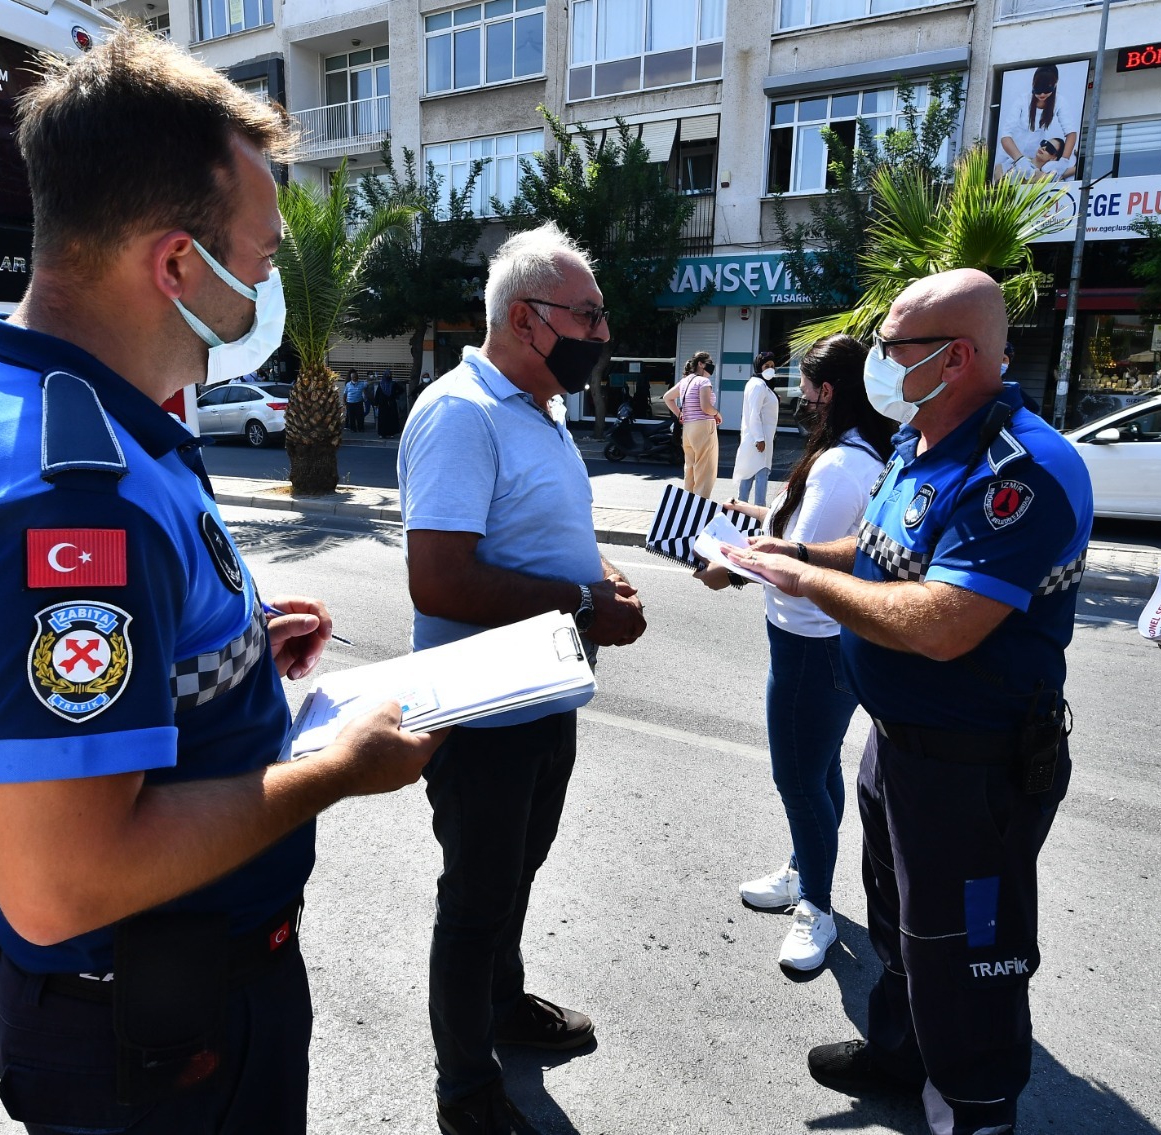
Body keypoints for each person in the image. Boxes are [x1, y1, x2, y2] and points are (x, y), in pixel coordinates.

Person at [0, 27, 441, 1134]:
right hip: (156, 1041)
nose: (268, 283)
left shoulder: (56, 407)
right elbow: (64, 881)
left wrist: (229, 656)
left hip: (159, 1007)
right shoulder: (69, 493)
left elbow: (108, 675)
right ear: (179, 263)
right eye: (265, 255)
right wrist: (335, 768)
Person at [726, 269, 1092, 1135]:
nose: (880, 363)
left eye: (894, 348)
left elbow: (942, 624)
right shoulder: (920, 437)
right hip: (899, 745)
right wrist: (791, 548)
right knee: (899, 925)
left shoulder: (1023, 468)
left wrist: (803, 581)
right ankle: (901, 1052)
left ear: (956, 356)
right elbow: (880, 547)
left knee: (970, 954)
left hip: (975, 768)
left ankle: (976, 1105)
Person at [398, 222, 648, 1135]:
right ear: (527, 317)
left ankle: (502, 1007)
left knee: (515, 878)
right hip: (482, 712)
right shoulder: (460, 411)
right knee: (475, 899)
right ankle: (464, 1090)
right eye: (588, 315)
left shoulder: (535, 407)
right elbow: (441, 577)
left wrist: (594, 579)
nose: (603, 334)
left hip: (542, 698)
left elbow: (532, 540)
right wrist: (583, 604)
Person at [694, 334, 893, 972]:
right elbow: (793, 531)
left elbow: (793, 564)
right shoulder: (854, 453)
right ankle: (806, 865)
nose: (798, 400)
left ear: (828, 391)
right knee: (817, 768)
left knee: (798, 778)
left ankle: (817, 908)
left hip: (813, 645)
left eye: (805, 390)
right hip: (821, 640)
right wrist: (746, 513)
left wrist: (726, 567)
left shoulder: (839, 467)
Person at [996, 64, 1077, 181]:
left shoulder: (1059, 101)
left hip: (1032, 157)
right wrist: (1019, 160)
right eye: (1038, 90)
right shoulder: (1022, 100)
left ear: (1055, 84)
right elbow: (1005, 136)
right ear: (1033, 85)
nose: (1042, 95)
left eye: (1047, 90)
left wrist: (1064, 161)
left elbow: (1071, 133)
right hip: (1010, 152)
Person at [664, 350, 721, 497]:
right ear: (700, 364)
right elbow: (706, 407)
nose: (711, 367)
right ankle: (701, 505)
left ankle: (688, 502)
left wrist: (679, 414)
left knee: (690, 468)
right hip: (703, 426)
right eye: (709, 363)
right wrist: (716, 413)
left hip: (688, 428)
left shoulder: (685, 381)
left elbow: (667, 397)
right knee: (705, 468)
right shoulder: (703, 381)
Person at [733, 352, 781, 505]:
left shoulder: (760, 384)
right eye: (767, 366)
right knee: (761, 473)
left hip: (760, 436)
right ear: (759, 366)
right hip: (759, 438)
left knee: (750, 471)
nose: (770, 369)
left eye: (773, 366)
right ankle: (759, 510)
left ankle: (742, 508)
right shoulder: (758, 385)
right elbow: (754, 414)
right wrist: (760, 438)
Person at [376, 370, 402, 438]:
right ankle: (382, 433)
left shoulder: (393, 384)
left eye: (389, 375)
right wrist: (376, 403)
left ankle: (391, 433)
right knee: (382, 419)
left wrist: (395, 395)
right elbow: (377, 394)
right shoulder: (381, 384)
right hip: (383, 404)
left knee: (391, 418)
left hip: (391, 403)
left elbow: (401, 390)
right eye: (387, 375)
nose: (388, 376)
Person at [344, 368, 366, 432]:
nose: (356, 378)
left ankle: (360, 428)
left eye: (356, 377)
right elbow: (345, 393)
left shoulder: (361, 384)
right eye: (354, 377)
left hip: (358, 402)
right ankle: (353, 429)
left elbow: (367, 385)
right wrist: (344, 402)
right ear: (351, 378)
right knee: (351, 417)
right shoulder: (348, 384)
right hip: (350, 403)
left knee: (360, 416)